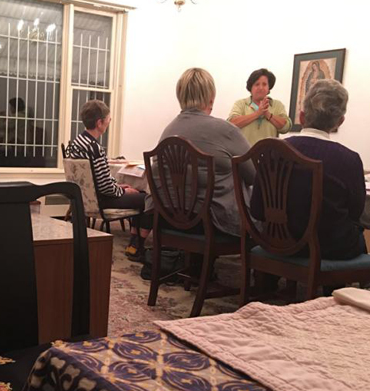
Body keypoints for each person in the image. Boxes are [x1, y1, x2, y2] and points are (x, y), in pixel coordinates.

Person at [251, 79, 365, 260]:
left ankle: (269, 282)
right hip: (327, 247)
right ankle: (336, 288)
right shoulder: (349, 160)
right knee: (357, 236)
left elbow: (257, 209)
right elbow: (355, 212)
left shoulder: (271, 151)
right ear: (339, 122)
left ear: (302, 117)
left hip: (274, 240)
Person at [151, 68, 256, 238]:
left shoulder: (168, 132)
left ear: (180, 96)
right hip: (215, 222)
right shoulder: (226, 130)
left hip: (170, 217)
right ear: (211, 98)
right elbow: (254, 176)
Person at [65, 99, 150, 259]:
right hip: (103, 200)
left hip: (85, 200)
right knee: (146, 198)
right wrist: (123, 191)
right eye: (109, 119)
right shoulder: (95, 148)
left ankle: (134, 242)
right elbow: (105, 187)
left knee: (135, 193)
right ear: (99, 123)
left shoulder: (77, 143)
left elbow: (97, 179)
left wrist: (119, 186)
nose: (109, 122)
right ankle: (135, 245)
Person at [228, 68, 292, 145]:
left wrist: (268, 114)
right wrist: (258, 113)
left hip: (269, 155)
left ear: (269, 88)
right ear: (250, 88)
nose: (260, 88)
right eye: (257, 84)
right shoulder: (241, 104)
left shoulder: (277, 105)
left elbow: (285, 127)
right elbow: (231, 124)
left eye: (264, 84)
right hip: (244, 155)